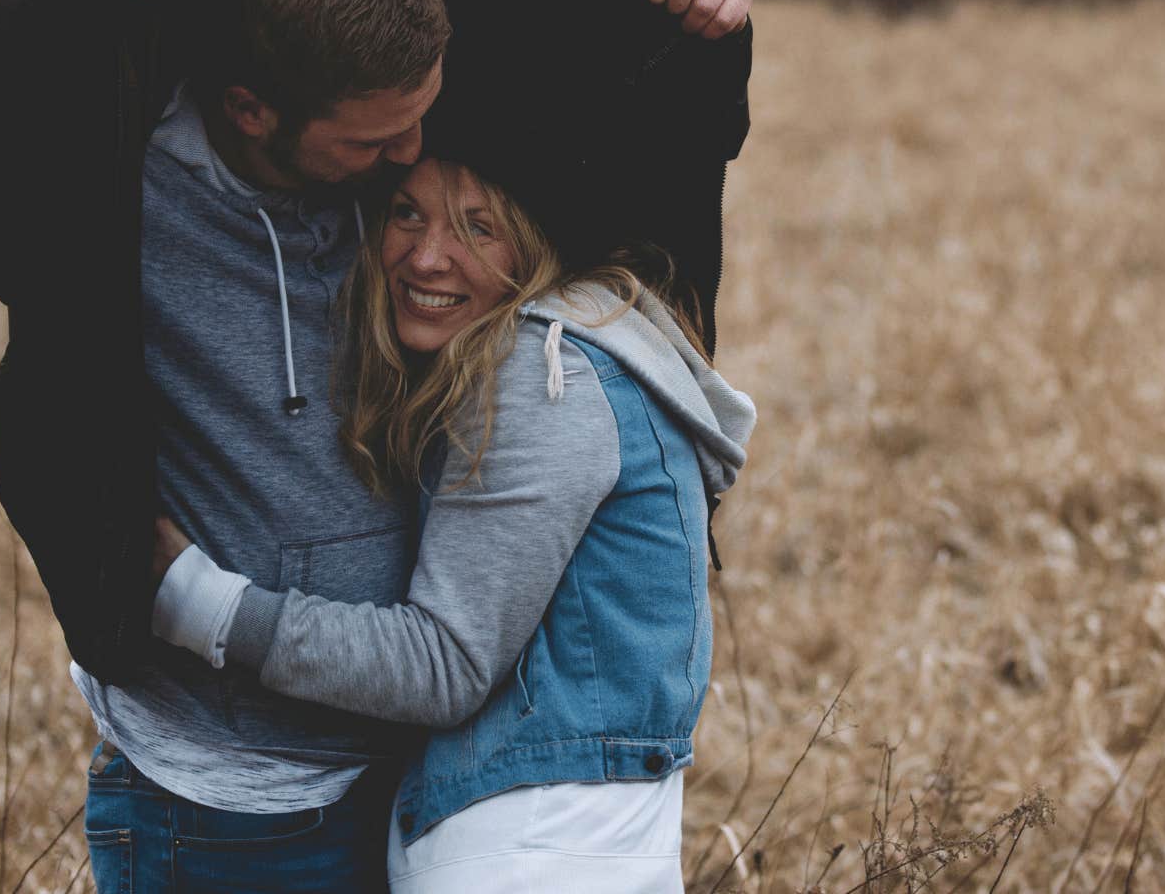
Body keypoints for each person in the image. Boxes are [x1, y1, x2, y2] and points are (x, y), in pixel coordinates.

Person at [0, 0, 752, 889]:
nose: (411, 157)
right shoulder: (104, 183)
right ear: (252, 111)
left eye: (420, 124)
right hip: (220, 806)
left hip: (406, 785)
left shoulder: (391, 163)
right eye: (374, 145)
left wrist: (697, 9)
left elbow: (612, 106)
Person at [149, 152, 753, 891]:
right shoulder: (592, 346)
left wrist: (194, 601)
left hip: (525, 856)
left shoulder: (545, 373)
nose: (428, 256)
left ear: (537, 244)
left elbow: (445, 664)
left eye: (479, 228)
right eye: (407, 213)